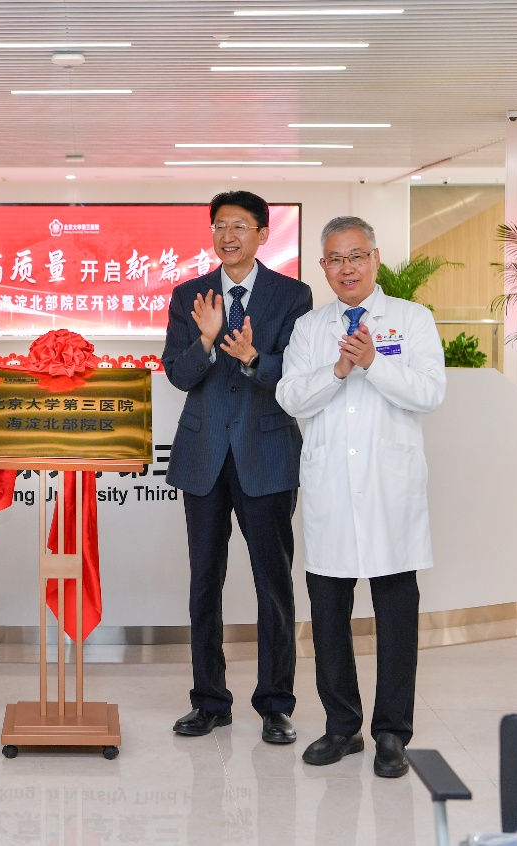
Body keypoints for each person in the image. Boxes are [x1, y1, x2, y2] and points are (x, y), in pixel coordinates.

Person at [275, 216, 446, 778]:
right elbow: (291, 397)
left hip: (391, 490)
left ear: (375, 258)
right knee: (329, 614)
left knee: (396, 615)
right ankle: (341, 726)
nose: (346, 268)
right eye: (334, 259)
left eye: (356, 256)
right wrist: (338, 369)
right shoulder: (309, 328)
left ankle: (392, 732)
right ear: (323, 267)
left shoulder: (412, 320)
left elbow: (429, 393)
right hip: (330, 489)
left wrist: (374, 363)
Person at [162, 190, 313, 741]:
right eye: (220, 225)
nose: (228, 235)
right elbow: (178, 374)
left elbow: (297, 375)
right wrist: (205, 340)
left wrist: (252, 358)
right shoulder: (188, 296)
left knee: (272, 582)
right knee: (205, 582)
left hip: (266, 454)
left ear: (262, 234)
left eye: (240, 226)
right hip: (203, 456)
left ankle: (275, 703)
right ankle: (209, 701)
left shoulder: (292, 296)